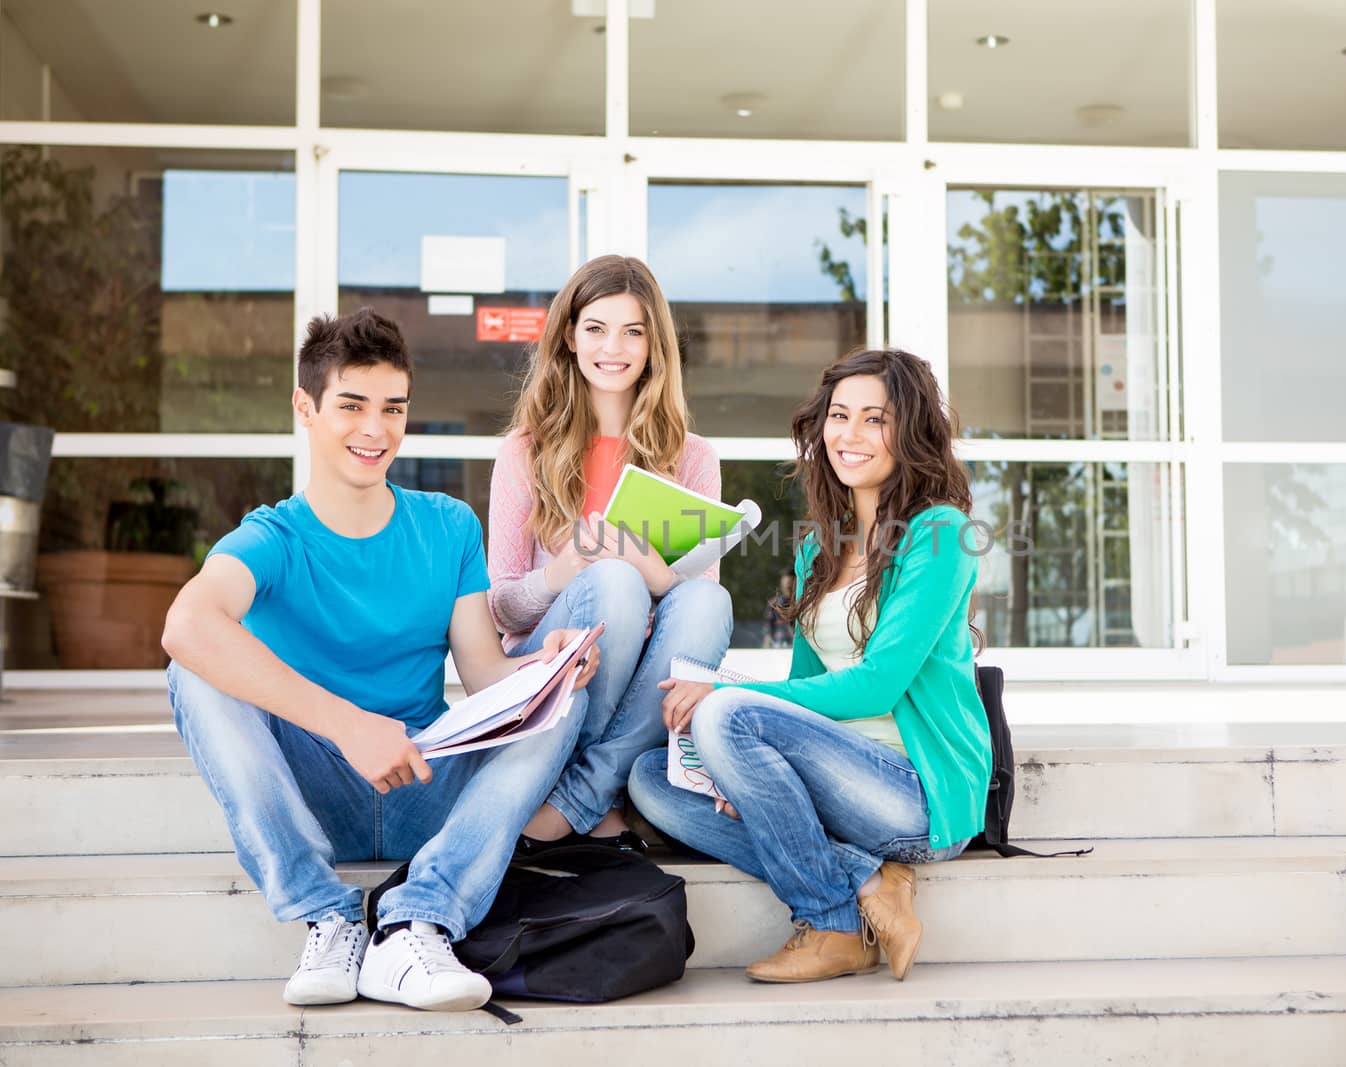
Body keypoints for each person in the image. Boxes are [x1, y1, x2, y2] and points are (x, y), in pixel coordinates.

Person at [163, 308, 599, 1013]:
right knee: (193, 669)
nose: (376, 429)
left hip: (428, 776)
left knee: (564, 694)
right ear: (305, 408)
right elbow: (186, 623)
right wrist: (347, 724)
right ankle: (327, 914)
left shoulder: (448, 524)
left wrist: (547, 666)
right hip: (316, 787)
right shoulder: (273, 535)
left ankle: (413, 920)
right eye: (352, 406)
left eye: (392, 408)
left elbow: (485, 674)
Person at [629, 347, 991, 984]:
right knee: (648, 781)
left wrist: (723, 700)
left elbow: (878, 682)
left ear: (910, 431)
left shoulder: (940, 534)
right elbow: (802, 686)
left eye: (874, 420)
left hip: (913, 795)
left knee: (726, 713)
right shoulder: (822, 545)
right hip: (837, 781)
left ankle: (831, 921)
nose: (848, 436)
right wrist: (741, 773)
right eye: (839, 416)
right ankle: (871, 880)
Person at [488, 254, 733, 849]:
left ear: (654, 345)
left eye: (633, 331)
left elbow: (697, 612)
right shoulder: (524, 451)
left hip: (647, 668)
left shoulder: (693, 456)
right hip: (557, 658)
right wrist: (566, 571)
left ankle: (583, 795)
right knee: (614, 582)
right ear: (569, 337)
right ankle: (597, 793)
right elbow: (501, 612)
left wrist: (654, 572)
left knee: (709, 599)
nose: (613, 347)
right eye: (596, 328)